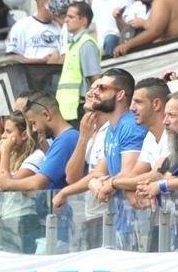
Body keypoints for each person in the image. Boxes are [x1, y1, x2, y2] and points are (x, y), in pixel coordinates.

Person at [53, 69, 147, 210]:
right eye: (95, 87)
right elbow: (99, 172)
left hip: (138, 214)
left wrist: (101, 184)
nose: (95, 92)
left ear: (120, 94)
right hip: (121, 216)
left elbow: (129, 174)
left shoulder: (131, 125)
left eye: (102, 88)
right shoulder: (111, 128)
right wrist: (67, 191)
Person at [0, 93, 82, 193]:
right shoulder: (61, 140)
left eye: (33, 123)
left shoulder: (66, 140)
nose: (34, 129)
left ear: (46, 115)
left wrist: (8, 183)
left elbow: (38, 183)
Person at [57, 1, 103, 122]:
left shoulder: (86, 44)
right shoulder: (74, 44)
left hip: (80, 108)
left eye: (71, 17)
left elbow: (95, 79)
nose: (66, 20)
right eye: (66, 16)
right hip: (70, 109)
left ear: (84, 21)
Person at [7, 0, 68, 64]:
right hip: (29, 73)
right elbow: (12, 57)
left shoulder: (62, 26)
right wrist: (41, 61)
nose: (56, 9)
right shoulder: (22, 25)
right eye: (53, 4)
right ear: (43, 5)